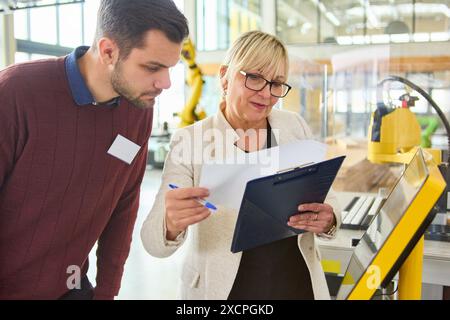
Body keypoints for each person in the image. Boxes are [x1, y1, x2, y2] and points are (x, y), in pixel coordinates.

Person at [0, 0, 188, 300]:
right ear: (108, 51)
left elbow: (124, 206)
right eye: (152, 67)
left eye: (169, 68)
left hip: (72, 289)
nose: (164, 83)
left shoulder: (138, 108)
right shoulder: (15, 93)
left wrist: (106, 293)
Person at [141, 31, 341, 300]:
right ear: (225, 76)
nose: (267, 94)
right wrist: (170, 221)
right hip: (225, 290)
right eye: (255, 78)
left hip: (296, 282)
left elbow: (329, 195)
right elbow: (153, 242)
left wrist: (329, 218)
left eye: (276, 83)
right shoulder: (190, 141)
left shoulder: (294, 126)